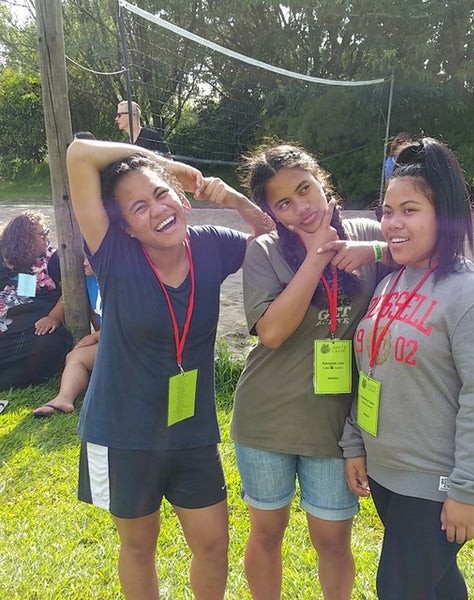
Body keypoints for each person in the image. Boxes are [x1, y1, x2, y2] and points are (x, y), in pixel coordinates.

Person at [66, 137, 273, 599]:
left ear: (182, 200)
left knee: (214, 545)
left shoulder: (211, 245)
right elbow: (79, 153)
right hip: (124, 432)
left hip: (190, 429)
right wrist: (166, 166)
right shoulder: (114, 255)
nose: (158, 210)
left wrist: (236, 200)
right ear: (125, 227)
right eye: (139, 207)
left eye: (162, 194)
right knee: (139, 546)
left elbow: (276, 242)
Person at [340, 137, 474, 600]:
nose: (392, 223)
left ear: (446, 215)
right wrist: (355, 443)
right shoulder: (392, 281)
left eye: (409, 210)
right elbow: (371, 370)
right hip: (386, 473)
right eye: (387, 211)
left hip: (437, 483)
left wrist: (469, 489)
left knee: (397, 587)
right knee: (437, 585)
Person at [230, 143, 393, 600]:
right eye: (284, 203)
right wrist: (318, 254)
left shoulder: (365, 232)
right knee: (267, 532)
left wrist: (373, 249)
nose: (301, 207)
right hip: (267, 418)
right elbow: (272, 332)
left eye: (305, 189)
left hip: (335, 423)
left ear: (321, 181)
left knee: (333, 540)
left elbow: (426, 248)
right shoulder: (264, 252)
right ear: (272, 212)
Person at [0, 211, 72, 390]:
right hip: (5, 329)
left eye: (47, 232)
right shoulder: (3, 258)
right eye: (42, 234)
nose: (47, 238)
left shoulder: (53, 259)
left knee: (49, 345)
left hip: (34, 330)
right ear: (23, 239)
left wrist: (54, 317)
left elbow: (69, 292)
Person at [32, 257, 102, 417]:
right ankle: (64, 398)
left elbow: (132, 321)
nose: (83, 262)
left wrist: (96, 336)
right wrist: (53, 317)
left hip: (134, 343)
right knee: (75, 357)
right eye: (83, 257)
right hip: (111, 341)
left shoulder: (124, 281)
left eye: (89, 257)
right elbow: (68, 297)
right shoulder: (88, 280)